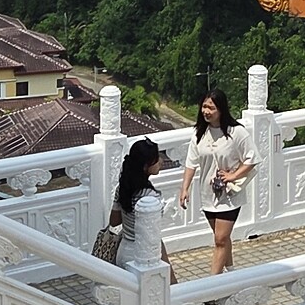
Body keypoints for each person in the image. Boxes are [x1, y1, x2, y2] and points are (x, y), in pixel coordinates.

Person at [179, 89, 254, 275]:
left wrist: (233, 176)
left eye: (211, 108)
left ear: (221, 109)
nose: (206, 111)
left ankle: (212, 282)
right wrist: (185, 188)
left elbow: (252, 159)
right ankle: (231, 271)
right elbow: (191, 163)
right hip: (208, 194)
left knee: (220, 239)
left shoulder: (236, 132)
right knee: (222, 237)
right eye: (204, 106)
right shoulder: (199, 134)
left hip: (229, 195)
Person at [108, 136, 166, 271]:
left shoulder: (123, 189)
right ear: (146, 166)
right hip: (143, 255)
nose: (161, 161)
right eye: (156, 159)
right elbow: (152, 234)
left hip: (123, 250)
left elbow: (114, 221)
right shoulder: (150, 197)